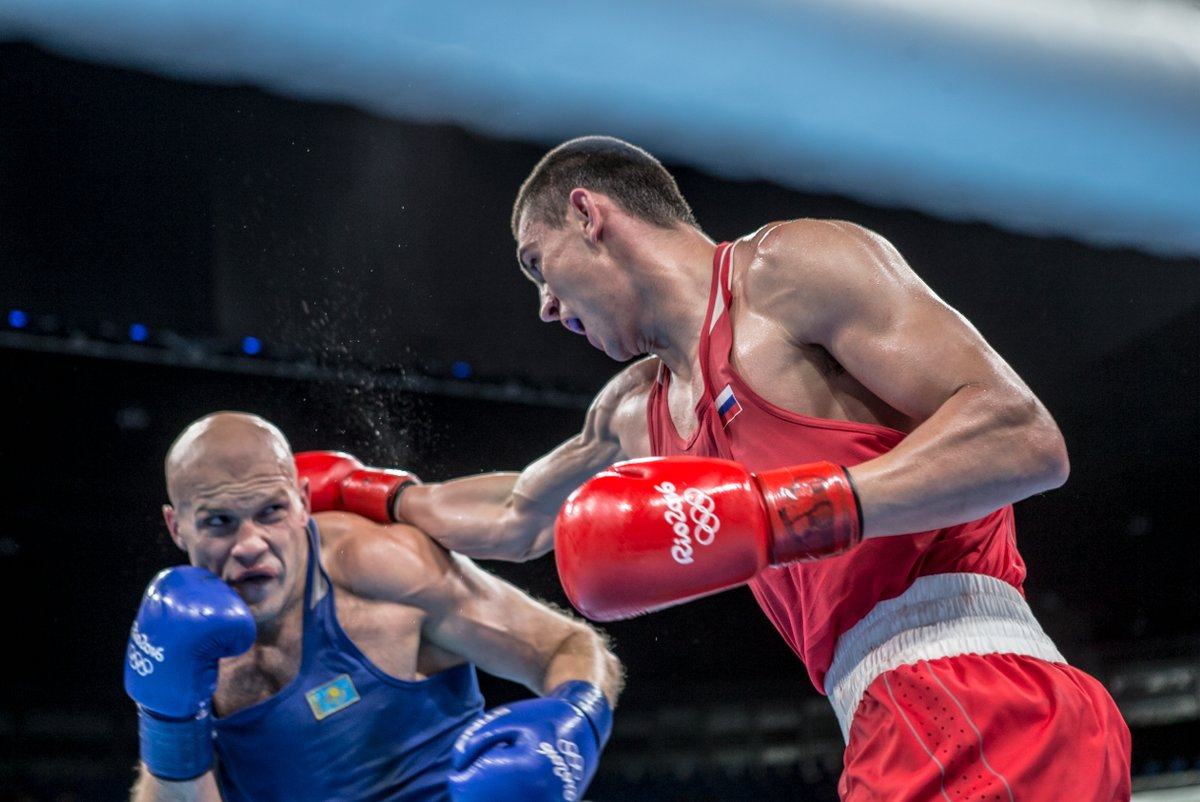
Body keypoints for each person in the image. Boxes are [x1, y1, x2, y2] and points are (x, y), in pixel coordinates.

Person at [305, 135, 1131, 800]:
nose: (545, 305)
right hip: (885, 717)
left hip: (980, 694)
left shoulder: (789, 274)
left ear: (588, 213)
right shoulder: (634, 410)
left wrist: (781, 513)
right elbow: (518, 516)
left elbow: (1023, 437)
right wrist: (360, 490)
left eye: (535, 262)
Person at [123, 411, 623, 802]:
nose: (250, 543)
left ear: (301, 501)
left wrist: (572, 725)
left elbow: (566, 645)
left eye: (270, 512)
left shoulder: (383, 570)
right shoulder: (177, 637)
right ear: (176, 526)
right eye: (219, 522)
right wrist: (168, 724)